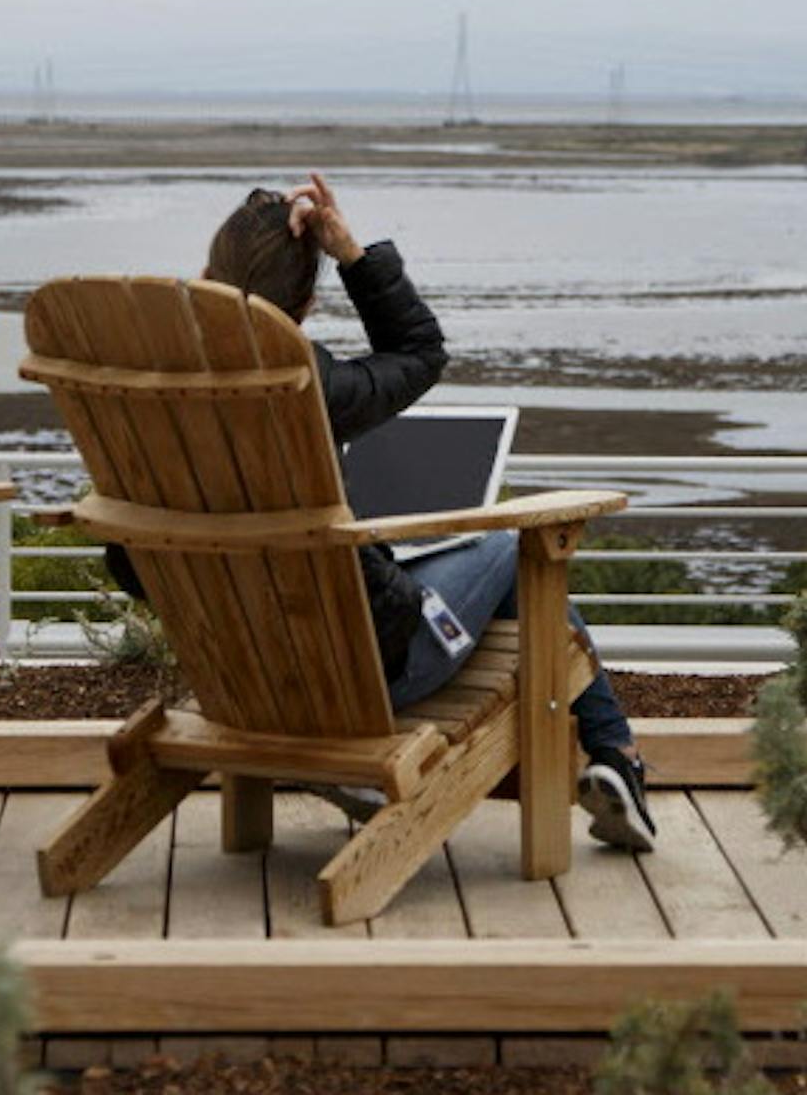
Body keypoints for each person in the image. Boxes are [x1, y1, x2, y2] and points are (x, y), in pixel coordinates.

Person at [102, 173, 656, 852]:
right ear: (303, 305)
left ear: (204, 276)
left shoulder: (144, 394)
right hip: (367, 671)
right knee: (520, 547)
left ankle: (615, 753)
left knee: (486, 575)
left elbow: (129, 567)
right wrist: (352, 254)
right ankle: (617, 754)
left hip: (234, 670)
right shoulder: (309, 381)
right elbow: (420, 352)